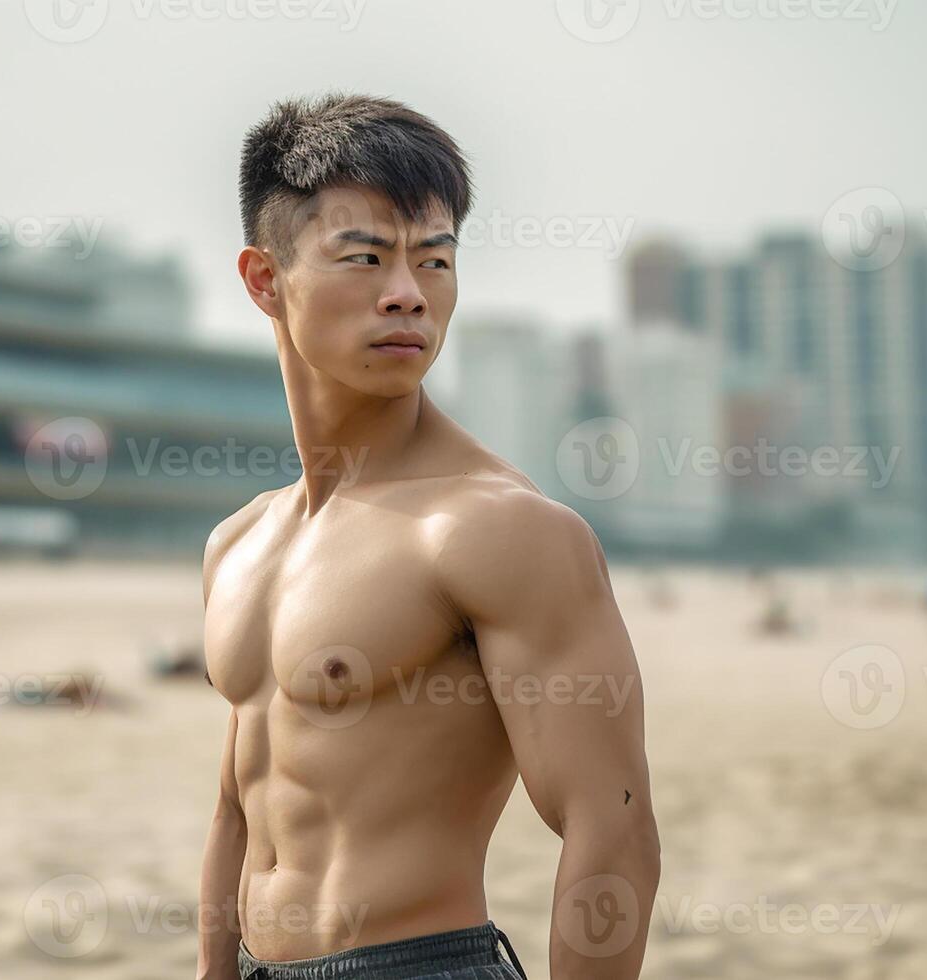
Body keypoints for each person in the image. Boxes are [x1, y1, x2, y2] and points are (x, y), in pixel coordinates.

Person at [197, 94, 661, 980]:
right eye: (365, 258)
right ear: (265, 280)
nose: (407, 293)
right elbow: (237, 806)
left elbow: (614, 822)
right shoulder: (239, 544)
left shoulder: (497, 530)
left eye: (435, 260)